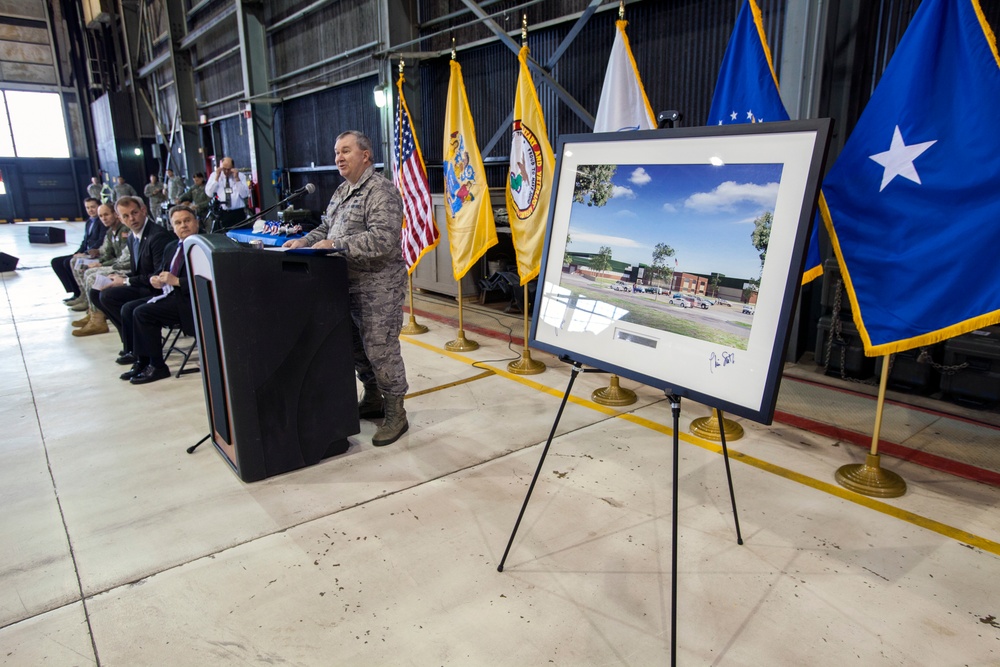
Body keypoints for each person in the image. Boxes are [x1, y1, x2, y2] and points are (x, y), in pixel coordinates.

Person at [283, 130, 409, 447]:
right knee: (354, 347)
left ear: (365, 155)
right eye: (337, 152)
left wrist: (336, 244)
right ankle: (373, 397)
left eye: (346, 151)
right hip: (343, 284)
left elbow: (383, 238)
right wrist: (305, 241)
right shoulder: (342, 190)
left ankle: (396, 413)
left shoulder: (381, 191)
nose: (339, 157)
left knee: (380, 349)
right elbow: (327, 226)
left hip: (378, 285)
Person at [118, 204, 199, 384]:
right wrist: (157, 279)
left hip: (190, 300)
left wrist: (178, 281)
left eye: (187, 220)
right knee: (128, 308)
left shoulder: (203, 247)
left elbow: (210, 280)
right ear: (173, 227)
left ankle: (158, 366)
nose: (183, 225)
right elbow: (162, 272)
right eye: (178, 223)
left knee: (143, 313)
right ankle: (142, 361)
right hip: (170, 295)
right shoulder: (171, 246)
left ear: (196, 222)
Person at [94, 196, 170, 363]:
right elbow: (140, 271)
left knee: (116, 300)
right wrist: (121, 277)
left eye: (134, 213)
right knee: (98, 292)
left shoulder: (157, 236)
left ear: (144, 210)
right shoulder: (132, 237)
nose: (131, 219)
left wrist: (126, 281)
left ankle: (137, 348)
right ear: (120, 218)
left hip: (157, 288)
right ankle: (130, 343)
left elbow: (157, 275)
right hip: (143, 283)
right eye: (126, 216)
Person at [71, 203, 131, 336]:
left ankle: (98, 319)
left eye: (106, 214)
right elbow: (106, 251)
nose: (103, 218)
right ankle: (90, 307)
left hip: (123, 266)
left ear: (116, 214)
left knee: (91, 275)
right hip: (113, 262)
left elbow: (122, 258)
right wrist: (95, 254)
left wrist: (101, 264)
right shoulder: (111, 231)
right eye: (101, 216)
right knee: (78, 263)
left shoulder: (124, 231)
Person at [52, 197, 106, 305]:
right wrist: (77, 252)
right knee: (56, 262)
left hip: (94, 253)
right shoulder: (89, 222)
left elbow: (101, 241)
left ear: (98, 207)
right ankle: (74, 291)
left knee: (68, 262)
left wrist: (85, 253)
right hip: (85, 252)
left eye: (93, 207)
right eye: (87, 207)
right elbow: (85, 241)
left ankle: (80, 293)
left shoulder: (102, 222)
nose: (90, 210)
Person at [204, 157, 250, 230]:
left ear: (233, 168)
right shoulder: (214, 175)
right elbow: (209, 193)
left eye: (228, 169)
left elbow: (245, 194)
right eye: (224, 169)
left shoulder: (241, 176)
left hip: (238, 213)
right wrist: (216, 178)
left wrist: (237, 179)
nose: (226, 171)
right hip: (223, 213)